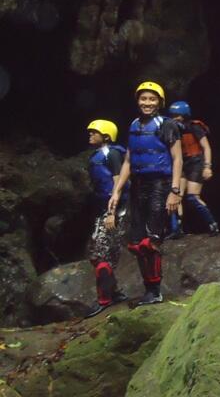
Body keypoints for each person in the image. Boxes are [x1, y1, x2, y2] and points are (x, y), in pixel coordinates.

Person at [108, 81, 183, 306]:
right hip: (138, 186)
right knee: (136, 243)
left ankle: (155, 291)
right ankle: (149, 290)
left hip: (160, 184)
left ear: (160, 102)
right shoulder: (134, 125)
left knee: (150, 242)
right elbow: (129, 160)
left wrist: (175, 190)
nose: (147, 103)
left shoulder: (167, 125)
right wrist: (116, 191)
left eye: (152, 99)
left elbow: (178, 158)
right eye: (143, 98)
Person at [85, 120, 129, 317]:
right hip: (104, 208)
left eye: (95, 132)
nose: (90, 135)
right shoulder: (98, 155)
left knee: (102, 255)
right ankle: (113, 292)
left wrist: (112, 213)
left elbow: (117, 184)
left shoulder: (112, 154)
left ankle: (105, 299)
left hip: (115, 210)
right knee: (99, 253)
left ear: (106, 135)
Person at [168, 101, 218, 235]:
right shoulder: (173, 129)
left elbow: (206, 147)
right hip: (182, 163)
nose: (175, 118)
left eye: (178, 115)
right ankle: (176, 228)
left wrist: (207, 166)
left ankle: (212, 223)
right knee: (176, 195)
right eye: (173, 115)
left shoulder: (194, 127)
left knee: (192, 197)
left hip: (196, 162)